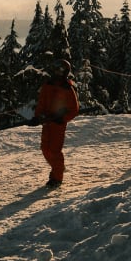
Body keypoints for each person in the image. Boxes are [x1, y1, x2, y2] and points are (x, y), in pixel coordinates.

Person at [32, 58, 80, 188]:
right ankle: (58, 168)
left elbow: (74, 109)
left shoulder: (67, 88)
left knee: (54, 151)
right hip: (47, 123)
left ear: (65, 72)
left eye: (61, 70)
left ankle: (57, 177)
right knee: (45, 149)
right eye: (56, 70)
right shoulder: (47, 85)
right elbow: (41, 103)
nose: (58, 72)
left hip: (58, 125)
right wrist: (38, 117)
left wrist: (62, 119)